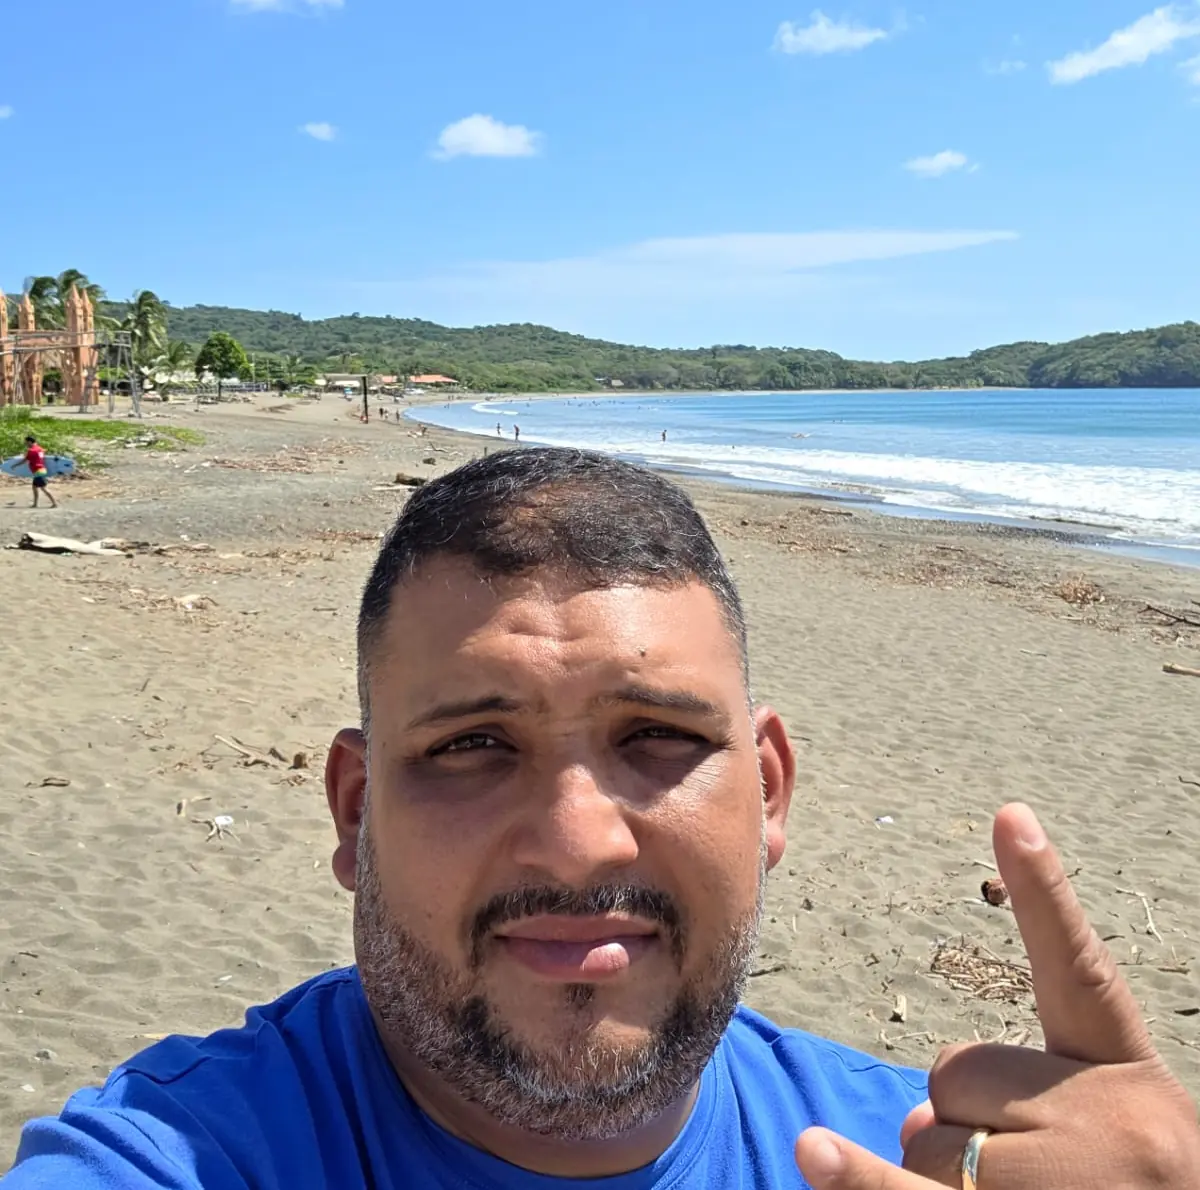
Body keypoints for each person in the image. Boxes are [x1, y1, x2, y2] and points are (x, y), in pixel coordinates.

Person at [5, 449, 1198, 1189]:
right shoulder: (186, 1152)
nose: (581, 843)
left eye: (659, 737)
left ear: (770, 791)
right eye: (474, 745)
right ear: (357, 810)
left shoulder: (916, 1153)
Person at [23, 435, 58, 510]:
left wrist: (14, 466)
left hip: (38, 471)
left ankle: (54, 503)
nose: (25, 444)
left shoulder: (31, 450)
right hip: (41, 470)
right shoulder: (39, 449)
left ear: (30, 442)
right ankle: (35, 504)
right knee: (34, 487)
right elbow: (42, 453)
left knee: (43, 488)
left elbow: (24, 460)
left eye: (26, 442)